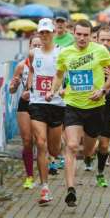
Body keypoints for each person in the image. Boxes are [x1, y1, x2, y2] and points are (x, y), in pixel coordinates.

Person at [50, 19, 110, 206]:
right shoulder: (65, 53)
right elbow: (59, 75)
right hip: (73, 106)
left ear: (90, 35)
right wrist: (53, 90)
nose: (82, 38)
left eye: (85, 35)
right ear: (74, 34)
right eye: (78, 34)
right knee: (71, 145)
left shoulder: (99, 51)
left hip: (95, 107)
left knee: (88, 150)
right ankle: (70, 189)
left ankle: (89, 156)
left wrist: (103, 90)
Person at [27, 18, 66, 205]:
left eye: (47, 32)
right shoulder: (33, 53)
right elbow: (33, 73)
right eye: (41, 32)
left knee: (54, 149)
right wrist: (27, 88)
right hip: (37, 103)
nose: (44, 35)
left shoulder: (62, 53)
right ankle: (44, 188)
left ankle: (60, 150)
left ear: (53, 33)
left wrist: (64, 89)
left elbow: (67, 75)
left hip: (57, 104)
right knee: (40, 143)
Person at [9, 34, 42, 189]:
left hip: (42, 104)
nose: (36, 48)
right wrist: (14, 85)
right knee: (28, 141)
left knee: (40, 141)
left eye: (39, 46)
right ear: (29, 47)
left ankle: (45, 173)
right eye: (34, 45)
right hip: (25, 104)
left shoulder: (49, 65)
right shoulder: (22, 66)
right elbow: (11, 89)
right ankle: (29, 176)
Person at [94, 26, 110, 180]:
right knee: (88, 144)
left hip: (108, 105)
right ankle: (89, 157)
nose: (104, 43)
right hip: (89, 103)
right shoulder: (88, 57)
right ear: (96, 40)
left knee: (103, 145)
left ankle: (100, 171)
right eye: (101, 39)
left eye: (108, 40)